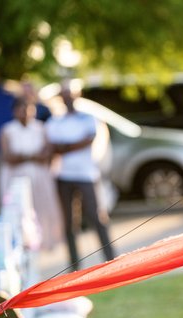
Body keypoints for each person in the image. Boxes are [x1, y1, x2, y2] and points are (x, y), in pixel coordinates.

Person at [45, 83, 115, 271]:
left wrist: (65, 147)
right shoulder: (55, 122)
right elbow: (52, 147)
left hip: (86, 174)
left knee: (95, 216)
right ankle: (74, 265)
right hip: (63, 175)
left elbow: (88, 140)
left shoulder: (88, 118)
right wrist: (70, 146)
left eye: (70, 95)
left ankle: (111, 259)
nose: (67, 99)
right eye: (64, 96)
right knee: (69, 222)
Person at [0, 97, 63, 251]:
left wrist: (24, 156)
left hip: (39, 178)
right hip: (15, 179)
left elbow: (46, 154)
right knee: (17, 213)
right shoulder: (7, 130)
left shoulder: (41, 128)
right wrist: (32, 156)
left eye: (28, 108)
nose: (25, 112)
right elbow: (8, 157)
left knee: (42, 210)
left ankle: (42, 243)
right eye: (21, 108)